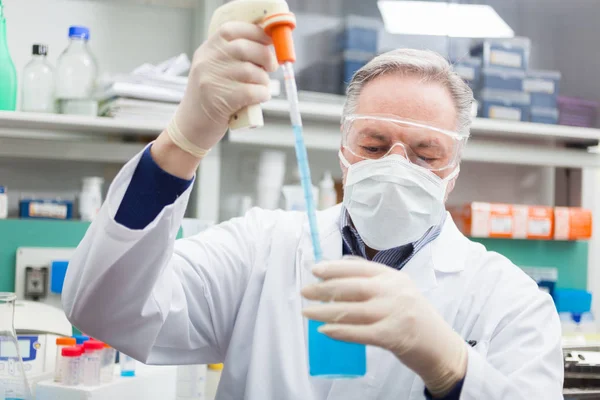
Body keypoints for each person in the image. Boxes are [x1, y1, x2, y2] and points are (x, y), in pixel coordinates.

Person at [62, 21, 563, 399]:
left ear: (453, 167)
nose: (395, 166)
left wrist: (452, 367)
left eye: (425, 154)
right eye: (374, 144)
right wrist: (182, 140)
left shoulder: (509, 301)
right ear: (343, 148)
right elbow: (103, 309)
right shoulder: (261, 248)